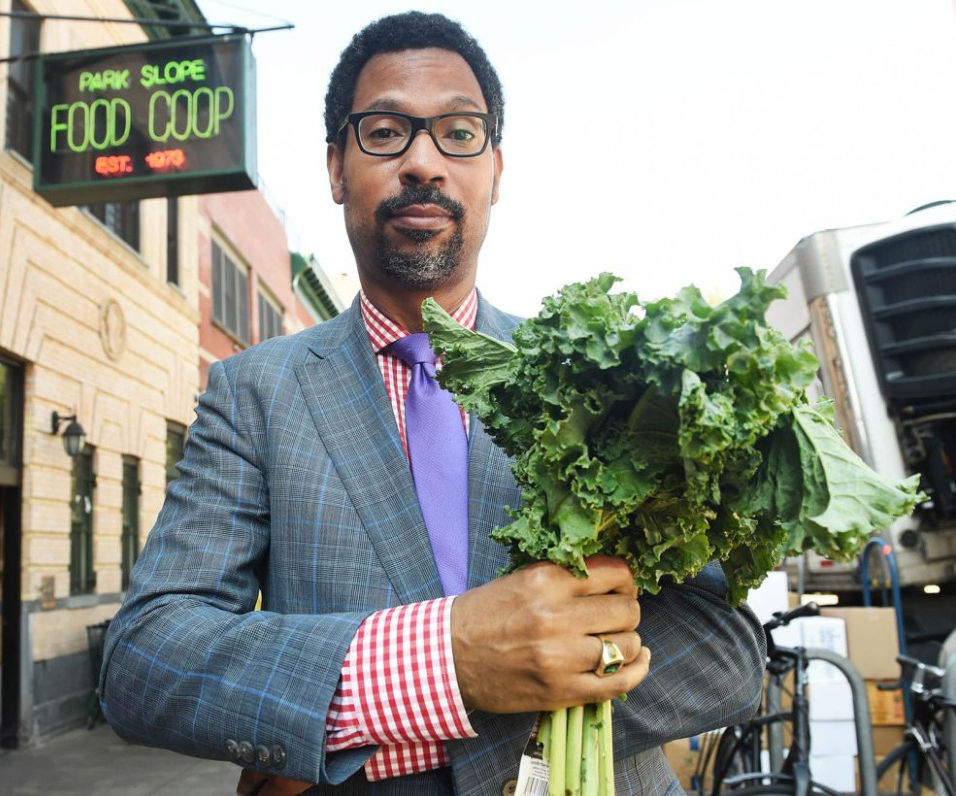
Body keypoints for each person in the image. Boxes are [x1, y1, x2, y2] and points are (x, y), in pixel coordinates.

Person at [102, 12, 766, 795]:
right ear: (336, 168)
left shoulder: (609, 382)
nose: (423, 162)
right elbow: (146, 660)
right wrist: (447, 659)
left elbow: (726, 658)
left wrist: (388, 726)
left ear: (496, 171)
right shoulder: (254, 393)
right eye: (385, 132)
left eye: (458, 133)